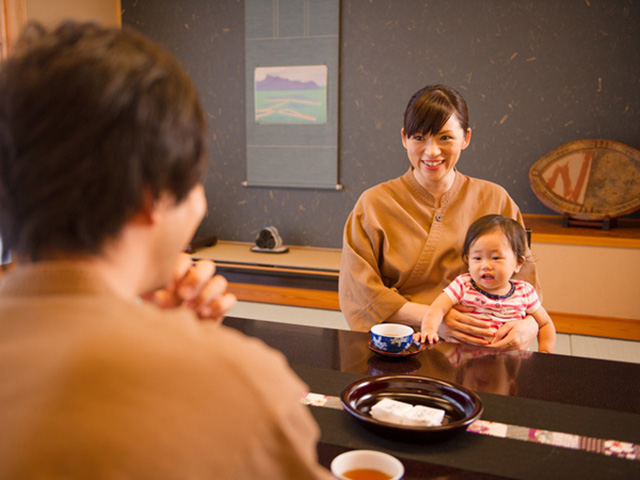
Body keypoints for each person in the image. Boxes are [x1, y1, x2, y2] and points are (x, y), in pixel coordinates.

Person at [0, 21, 333, 479]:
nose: (200, 201)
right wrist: (199, 356)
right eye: (195, 180)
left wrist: (153, 325)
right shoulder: (245, 387)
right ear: (149, 196)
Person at [339, 84, 542, 350]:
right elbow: (359, 292)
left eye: (445, 138)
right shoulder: (373, 204)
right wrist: (433, 317)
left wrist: (530, 325)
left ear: (466, 138)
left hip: (483, 348)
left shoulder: (496, 199)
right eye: (419, 137)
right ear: (404, 138)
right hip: (403, 344)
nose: (431, 151)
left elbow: (526, 287)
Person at [419, 215, 556, 353]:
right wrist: (429, 330)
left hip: (509, 364)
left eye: (496, 258)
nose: (485, 265)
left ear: (518, 263)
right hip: (463, 364)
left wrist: (545, 353)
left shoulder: (525, 292)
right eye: (477, 258)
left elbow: (545, 323)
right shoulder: (462, 285)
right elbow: (436, 309)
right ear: (468, 260)